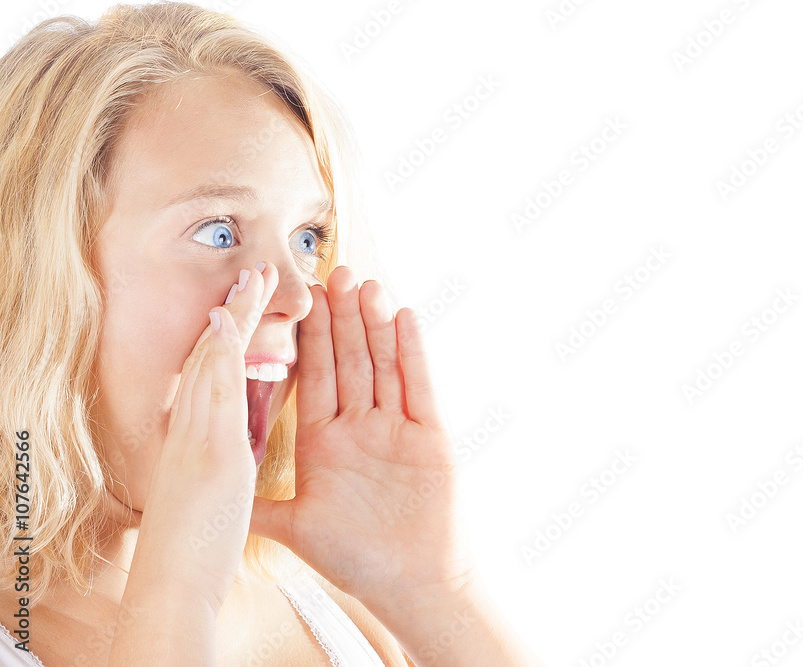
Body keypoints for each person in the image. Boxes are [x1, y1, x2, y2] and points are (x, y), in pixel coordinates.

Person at [0, 2, 543, 665]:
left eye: (306, 237)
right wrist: (174, 593)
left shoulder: (329, 598)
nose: (292, 295)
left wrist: (433, 592)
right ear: (36, 275)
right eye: (218, 231)